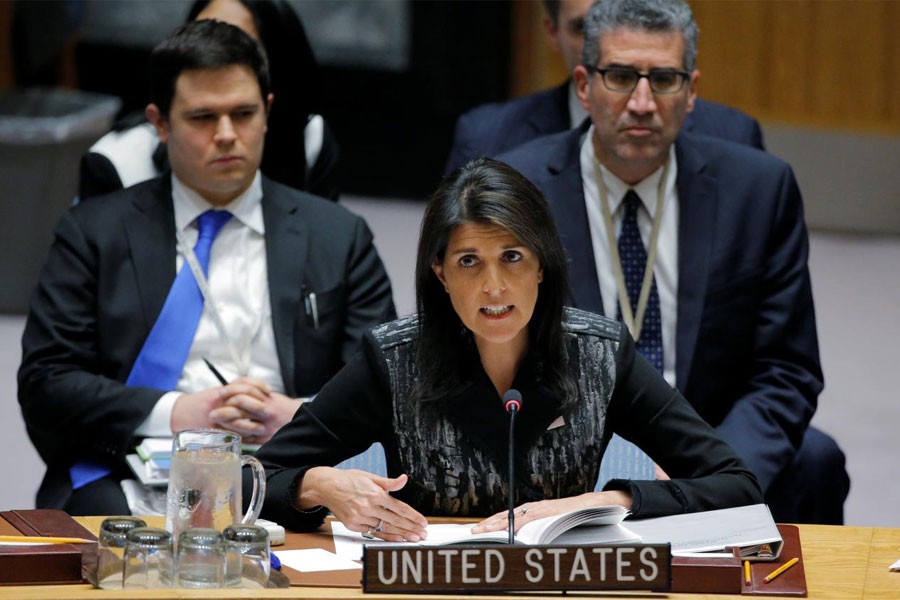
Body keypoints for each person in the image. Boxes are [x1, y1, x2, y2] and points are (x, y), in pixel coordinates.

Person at [250, 158, 761, 539]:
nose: (494, 286)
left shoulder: (600, 355)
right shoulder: (395, 360)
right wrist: (317, 485)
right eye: (469, 261)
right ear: (441, 274)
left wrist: (603, 501)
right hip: (434, 589)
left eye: (512, 257)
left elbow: (736, 484)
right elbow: (252, 479)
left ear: (542, 265)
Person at [18, 19, 395, 515]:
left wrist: (299, 415)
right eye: (202, 117)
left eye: (243, 113)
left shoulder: (338, 235)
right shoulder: (94, 232)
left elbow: (385, 386)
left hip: (292, 471)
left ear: (268, 113)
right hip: (132, 469)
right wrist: (178, 411)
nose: (226, 135)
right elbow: (47, 382)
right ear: (159, 122)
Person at [496, 0, 848, 524]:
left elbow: (785, 370)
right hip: (565, 453)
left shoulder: (757, 190)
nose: (642, 102)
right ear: (584, 85)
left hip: (709, 446)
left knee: (816, 460)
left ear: (692, 93)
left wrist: (714, 477)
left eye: (664, 79)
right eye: (620, 77)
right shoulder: (517, 190)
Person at [443, 0, 763, 175]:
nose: (602, 40)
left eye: (621, 19)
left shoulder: (733, 136)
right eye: (584, 27)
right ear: (552, 32)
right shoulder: (488, 138)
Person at [78, 0, 341, 201]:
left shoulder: (309, 137)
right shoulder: (120, 161)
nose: (212, 56)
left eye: (235, 47)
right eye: (201, 38)